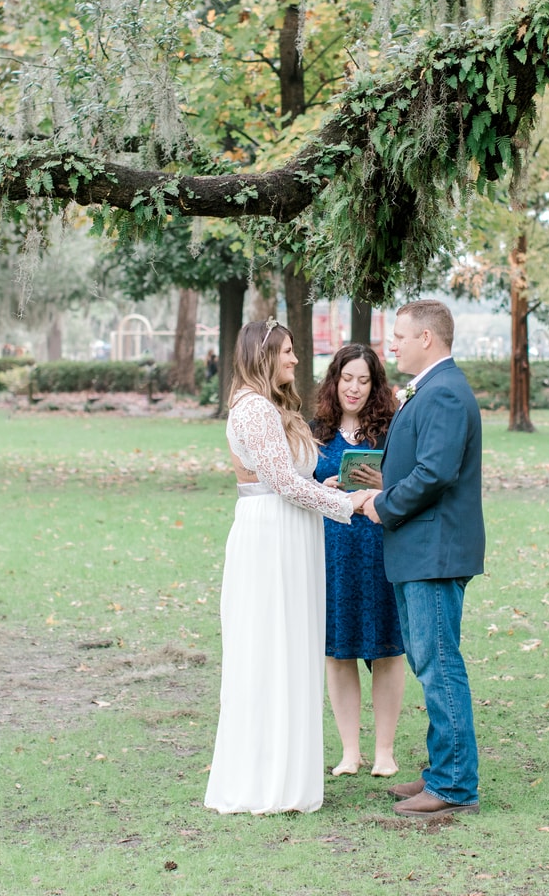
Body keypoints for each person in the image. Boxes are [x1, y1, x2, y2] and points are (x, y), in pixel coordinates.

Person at [205, 321, 380, 815]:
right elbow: (281, 483)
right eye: (286, 351)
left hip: (291, 529)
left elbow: (292, 478)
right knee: (270, 650)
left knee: (291, 649)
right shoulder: (255, 408)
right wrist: (350, 505)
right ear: (263, 355)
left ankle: (285, 774)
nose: (296, 359)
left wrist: (332, 487)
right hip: (272, 534)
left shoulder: (275, 406)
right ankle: (267, 782)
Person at [360, 299, 484, 818]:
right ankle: (440, 771)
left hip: (434, 551)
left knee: (439, 665)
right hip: (419, 550)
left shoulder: (446, 394)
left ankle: (454, 787)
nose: (394, 346)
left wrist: (382, 505)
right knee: (427, 661)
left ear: (427, 339)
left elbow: (436, 474)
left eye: (401, 337)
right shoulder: (431, 390)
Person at [311, 344, 405, 778]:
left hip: (381, 549)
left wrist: (383, 482)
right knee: (339, 651)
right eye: (347, 379)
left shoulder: (391, 430)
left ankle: (384, 750)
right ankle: (351, 751)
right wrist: (325, 487)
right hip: (333, 553)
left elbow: (410, 486)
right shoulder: (315, 431)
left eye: (363, 380)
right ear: (334, 381)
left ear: (375, 385)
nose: (354, 388)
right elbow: (296, 486)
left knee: (387, 650)